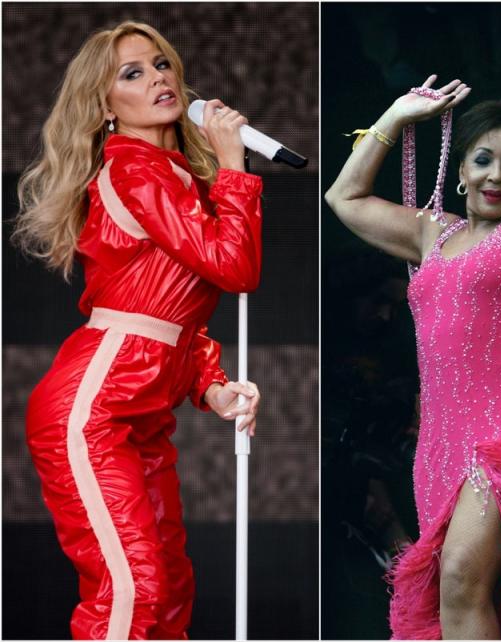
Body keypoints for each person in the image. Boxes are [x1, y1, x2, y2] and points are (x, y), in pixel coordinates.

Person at [325, 11, 501, 640]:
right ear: (460, 171)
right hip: (442, 437)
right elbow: (341, 198)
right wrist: (396, 117)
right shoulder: (432, 232)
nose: (495, 175)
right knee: (462, 594)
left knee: (459, 576)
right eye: (483, 160)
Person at [13, 22, 263, 639]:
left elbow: (172, 311)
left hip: (142, 414)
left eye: (161, 65)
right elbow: (236, 269)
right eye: (133, 73)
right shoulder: (133, 169)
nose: (158, 78)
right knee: (133, 591)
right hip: (93, 412)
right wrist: (234, 167)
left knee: (171, 588)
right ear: (104, 107)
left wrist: (212, 387)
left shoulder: (172, 174)